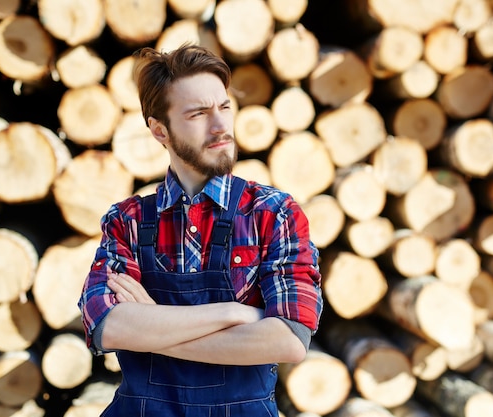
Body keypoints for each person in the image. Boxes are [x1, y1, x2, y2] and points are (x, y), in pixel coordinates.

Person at [78, 43, 323, 416]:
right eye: (198, 113)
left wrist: (153, 327)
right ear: (160, 131)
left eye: (225, 107)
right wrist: (232, 313)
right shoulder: (126, 221)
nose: (221, 125)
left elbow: (289, 339)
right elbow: (108, 327)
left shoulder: (273, 214)